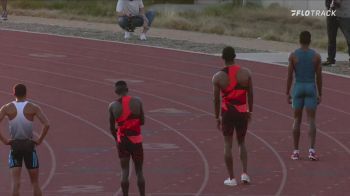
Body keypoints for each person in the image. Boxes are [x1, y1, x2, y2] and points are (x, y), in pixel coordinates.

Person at [212, 46, 253, 186]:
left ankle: (231, 178)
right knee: (242, 142)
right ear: (235, 56)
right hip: (242, 111)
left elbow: (216, 99)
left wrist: (216, 116)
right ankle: (245, 174)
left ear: (223, 58)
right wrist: (250, 111)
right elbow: (250, 94)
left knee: (228, 144)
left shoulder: (218, 77)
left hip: (227, 112)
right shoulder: (246, 73)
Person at [0, 84, 50, 196]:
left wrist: (4, 140)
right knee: (35, 183)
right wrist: (40, 140)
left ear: (13, 94)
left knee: (16, 183)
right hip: (29, 145)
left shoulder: (7, 108)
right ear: (26, 93)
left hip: (15, 146)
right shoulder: (33, 107)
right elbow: (46, 124)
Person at [286, 31, 323, 161]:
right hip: (310, 87)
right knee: (311, 120)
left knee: (297, 119)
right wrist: (320, 93)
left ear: (300, 40)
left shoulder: (293, 56)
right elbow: (319, 77)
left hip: (298, 87)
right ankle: (311, 151)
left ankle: (296, 151)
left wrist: (287, 93)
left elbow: (290, 76)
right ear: (310, 40)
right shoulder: (316, 56)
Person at [109, 81, 145, 196]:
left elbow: (111, 127)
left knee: (124, 171)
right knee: (139, 171)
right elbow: (142, 121)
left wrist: (117, 139)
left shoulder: (112, 106)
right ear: (127, 89)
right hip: (136, 139)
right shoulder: (137, 102)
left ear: (115, 91)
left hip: (122, 140)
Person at [323, 0, 350, 67]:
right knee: (331, 38)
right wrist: (329, 5)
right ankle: (330, 59)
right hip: (332, 14)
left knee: (349, 38)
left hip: (345, 15)